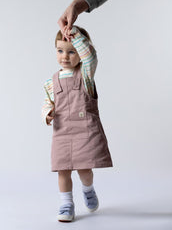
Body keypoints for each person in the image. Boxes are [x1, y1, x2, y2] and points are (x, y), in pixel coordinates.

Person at [41, 25, 113, 222]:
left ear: (80, 54)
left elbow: (91, 57)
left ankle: (88, 190)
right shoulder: (50, 82)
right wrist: (47, 113)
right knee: (62, 170)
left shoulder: (86, 75)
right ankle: (66, 204)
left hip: (84, 131)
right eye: (60, 50)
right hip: (62, 132)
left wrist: (75, 35)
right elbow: (48, 102)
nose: (65, 56)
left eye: (72, 51)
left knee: (84, 169)